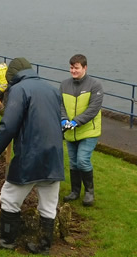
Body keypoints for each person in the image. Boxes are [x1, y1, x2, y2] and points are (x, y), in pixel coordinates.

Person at [0, 57, 65, 255]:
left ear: (13, 76)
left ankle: (7, 240)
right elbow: (61, 120)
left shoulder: (19, 90)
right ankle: (44, 246)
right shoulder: (53, 90)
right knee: (48, 203)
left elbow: (8, 126)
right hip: (54, 155)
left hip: (30, 154)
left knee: (9, 197)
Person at [60, 54, 103, 207]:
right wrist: (64, 119)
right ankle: (75, 191)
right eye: (71, 68)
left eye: (76, 68)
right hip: (71, 131)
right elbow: (61, 106)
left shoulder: (95, 86)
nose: (73, 71)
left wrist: (76, 122)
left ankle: (89, 193)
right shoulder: (64, 84)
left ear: (84, 67)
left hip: (88, 131)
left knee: (83, 161)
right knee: (73, 162)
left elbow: (93, 109)